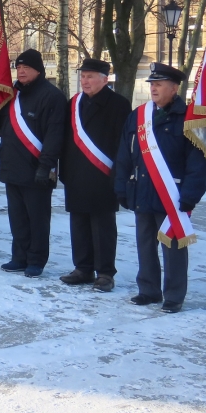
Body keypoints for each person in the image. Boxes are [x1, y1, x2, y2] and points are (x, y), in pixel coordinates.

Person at [114, 62, 206, 313]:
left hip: (173, 196)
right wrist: (121, 186)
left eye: (159, 84)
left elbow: (197, 163)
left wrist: (190, 195)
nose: (153, 88)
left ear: (174, 88)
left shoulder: (188, 119)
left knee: (174, 246)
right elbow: (124, 153)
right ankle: (148, 290)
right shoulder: (139, 116)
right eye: (152, 84)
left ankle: (174, 295)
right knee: (145, 244)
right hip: (141, 190)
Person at [58, 58, 131, 292]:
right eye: (82, 76)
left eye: (90, 76)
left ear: (104, 79)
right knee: (79, 223)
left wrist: (119, 175)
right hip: (76, 172)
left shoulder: (118, 104)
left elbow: (123, 143)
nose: (85, 81)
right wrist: (64, 170)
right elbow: (66, 139)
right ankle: (83, 268)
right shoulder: (74, 103)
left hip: (103, 174)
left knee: (103, 227)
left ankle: (105, 273)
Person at [0, 49, 65, 277]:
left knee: (37, 220)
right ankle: (19, 257)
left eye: (26, 68)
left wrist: (46, 166)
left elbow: (54, 135)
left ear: (38, 70)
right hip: (12, 165)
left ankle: (36, 260)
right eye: (18, 67)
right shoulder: (11, 95)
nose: (21, 71)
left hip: (37, 168)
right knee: (17, 218)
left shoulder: (52, 96)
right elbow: (3, 126)